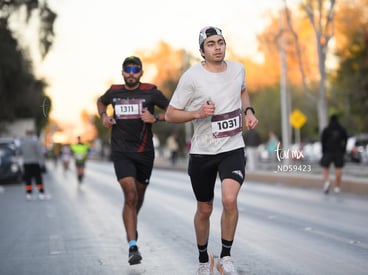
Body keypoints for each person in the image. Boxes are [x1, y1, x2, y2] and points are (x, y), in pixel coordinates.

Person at [165, 26, 259, 275]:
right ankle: (202, 260)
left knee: (229, 199)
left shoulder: (238, 69)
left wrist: (248, 112)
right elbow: (170, 114)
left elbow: (242, 89)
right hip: (203, 152)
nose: (217, 47)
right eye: (211, 44)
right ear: (202, 51)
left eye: (221, 42)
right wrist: (196, 113)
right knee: (204, 208)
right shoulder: (192, 77)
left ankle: (226, 256)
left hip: (232, 147)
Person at [96, 56, 169, 265]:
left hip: (144, 153)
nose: (131, 73)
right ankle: (132, 246)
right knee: (130, 194)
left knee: (137, 197)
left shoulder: (151, 91)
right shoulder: (114, 91)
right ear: (122, 72)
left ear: (141, 73)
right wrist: (103, 116)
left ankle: (131, 220)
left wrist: (156, 118)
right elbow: (101, 101)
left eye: (135, 69)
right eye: (127, 69)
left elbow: (172, 111)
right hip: (121, 152)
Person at [320, 114, 348, 194]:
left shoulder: (326, 129)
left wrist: (324, 151)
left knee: (325, 168)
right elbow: (345, 140)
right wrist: (343, 150)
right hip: (338, 152)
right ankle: (337, 187)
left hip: (328, 152)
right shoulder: (342, 129)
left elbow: (323, 141)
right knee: (338, 169)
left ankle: (326, 182)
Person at [19, 129, 49, 200]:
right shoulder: (35, 141)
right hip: (35, 163)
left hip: (26, 163)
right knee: (38, 179)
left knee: (28, 179)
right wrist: (42, 162)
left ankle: (28, 194)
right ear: (32, 133)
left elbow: (20, 152)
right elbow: (39, 153)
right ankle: (41, 193)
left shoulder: (22, 142)